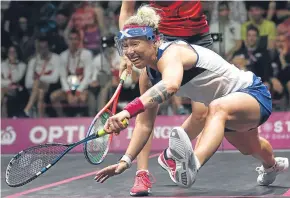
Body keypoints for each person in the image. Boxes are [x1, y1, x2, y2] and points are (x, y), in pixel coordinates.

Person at [94, 5, 289, 190]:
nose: (129, 51)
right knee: (252, 147)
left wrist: (127, 110)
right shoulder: (148, 75)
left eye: (135, 44)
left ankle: (192, 165)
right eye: (125, 46)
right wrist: (125, 162)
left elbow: (170, 85)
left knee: (216, 108)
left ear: (154, 40)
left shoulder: (173, 52)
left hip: (252, 94)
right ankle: (272, 166)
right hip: (226, 114)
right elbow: (144, 125)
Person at [118, 1, 212, 195]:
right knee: (147, 106)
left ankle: (170, 154)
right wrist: (126, 53)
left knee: (202, 114)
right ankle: (141, 173)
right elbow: (127, 10)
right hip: (161, 37)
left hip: (198, 37)